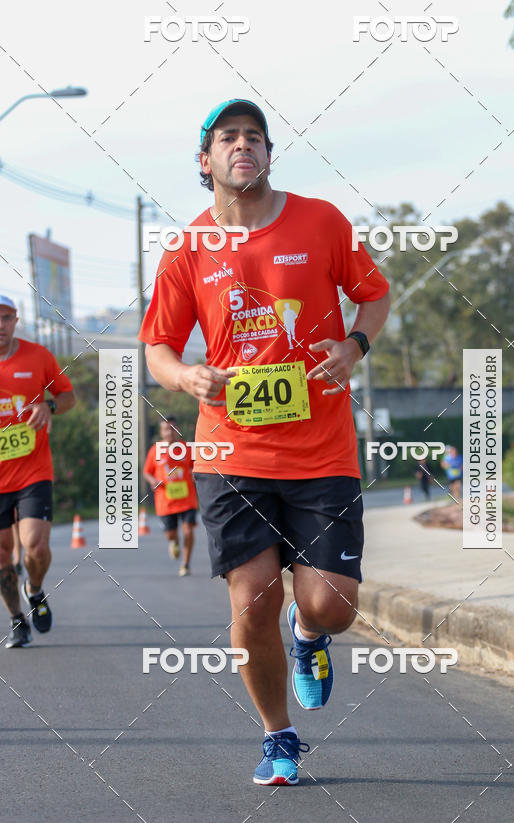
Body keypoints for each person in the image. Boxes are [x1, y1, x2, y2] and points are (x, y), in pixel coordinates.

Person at [139, 99, 390, 785]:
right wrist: (186, 375)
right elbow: (157, 344)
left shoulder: (321, 221)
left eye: (254, 136)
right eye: (228, 137)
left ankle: (311, 640)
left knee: (332, 606)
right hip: (230, 452)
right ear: (205, 160)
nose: (242, 145)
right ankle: (279, 736)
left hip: (322, 450)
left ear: (269, 155)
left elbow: (374, 294)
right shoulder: (188, 247)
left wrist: (354, 343)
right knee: (252, 598)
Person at [0, 296, 76, 648]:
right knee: (2, 559)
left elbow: (67, 397)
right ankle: (17, 620)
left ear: (16, 320)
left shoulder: (38, 357)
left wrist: (48, 406)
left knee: (34, 545)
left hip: (33, 472)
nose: (0, 325)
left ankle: (34, 589)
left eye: (6, 317)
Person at [143, 416, 198, 576]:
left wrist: (195, 473)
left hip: (187, 498)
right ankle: (173, 542)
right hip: (165, 501)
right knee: (171, 534)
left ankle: (186, 564)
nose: (170, 432)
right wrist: (153, 481)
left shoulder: (186, 449)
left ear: (178, 430)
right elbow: (147, 472)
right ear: (161, 432)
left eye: (173, 428)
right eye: (166, 429)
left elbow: (197, 466)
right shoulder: (155, 451)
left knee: (188, 531)